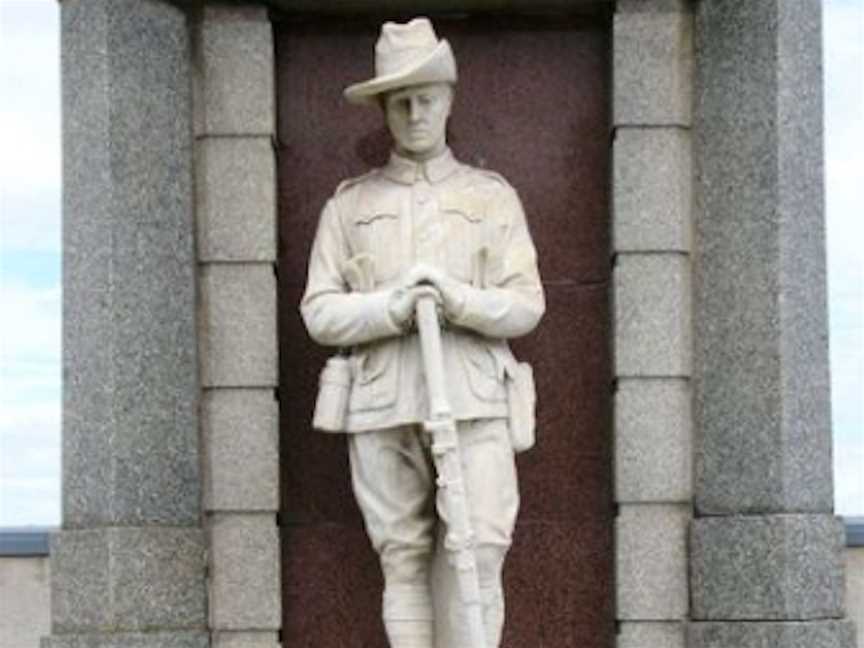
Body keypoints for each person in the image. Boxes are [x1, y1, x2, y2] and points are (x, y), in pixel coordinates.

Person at [301, 17, 544, 648]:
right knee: (401, 557)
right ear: (383, 109)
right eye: (400, 101)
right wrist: (391, 307)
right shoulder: (349, 205)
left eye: (426, 98)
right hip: (382, 403)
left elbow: (527, 305)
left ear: (449, 100)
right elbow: (319, 312)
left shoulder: (492, 198)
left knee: (482, 548)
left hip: (474, 399)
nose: (414, 113)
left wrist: (458, 301)